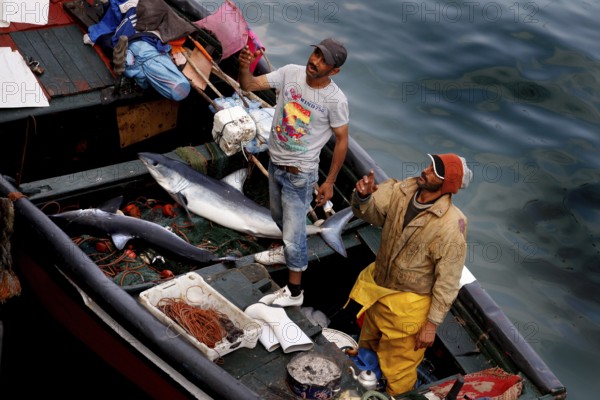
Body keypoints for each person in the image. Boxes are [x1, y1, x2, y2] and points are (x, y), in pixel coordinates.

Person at [347, 153, 473, 396]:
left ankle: (395, 395)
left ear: (446, 185)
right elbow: (371, 214)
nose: (425, 170)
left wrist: (431, 325)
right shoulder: (403, 190)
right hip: (379, 290)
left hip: (409, 307)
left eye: (434, 171)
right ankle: (363, 381)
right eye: (429, 165)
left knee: (399, 369)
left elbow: (448, 281)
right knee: (368, 345)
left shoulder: (451, 225)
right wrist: (363, 197)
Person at [238, 38, 350, 307]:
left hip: (300, 175)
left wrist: (330, 181)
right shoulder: (290, 72)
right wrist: (244, 67)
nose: (315, 61)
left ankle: (295, 293)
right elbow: (249, 85)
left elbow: (342, 140)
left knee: (293, 233)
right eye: (316, 54)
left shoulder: (336, 100)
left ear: (334, 71)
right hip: (276, 163)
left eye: (324, 61)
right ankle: (287, 253)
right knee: (278, 217)